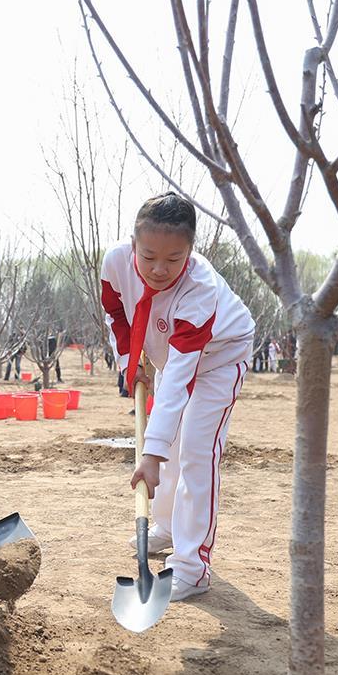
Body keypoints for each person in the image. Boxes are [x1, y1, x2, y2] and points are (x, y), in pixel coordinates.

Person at [101, 192, 254, 603]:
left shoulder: (199, 289)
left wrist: (149, 455)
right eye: (149, 256)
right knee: (168, 441)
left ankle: (191, 567)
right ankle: (166, 528)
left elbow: (181, 379)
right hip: (173, 354)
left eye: (174, 258)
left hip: (220, 357)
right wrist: (130, 362)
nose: (159, 269)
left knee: (195, 453)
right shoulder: (115, 263)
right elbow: (116, 312)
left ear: (190, 250)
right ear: (134, 243)